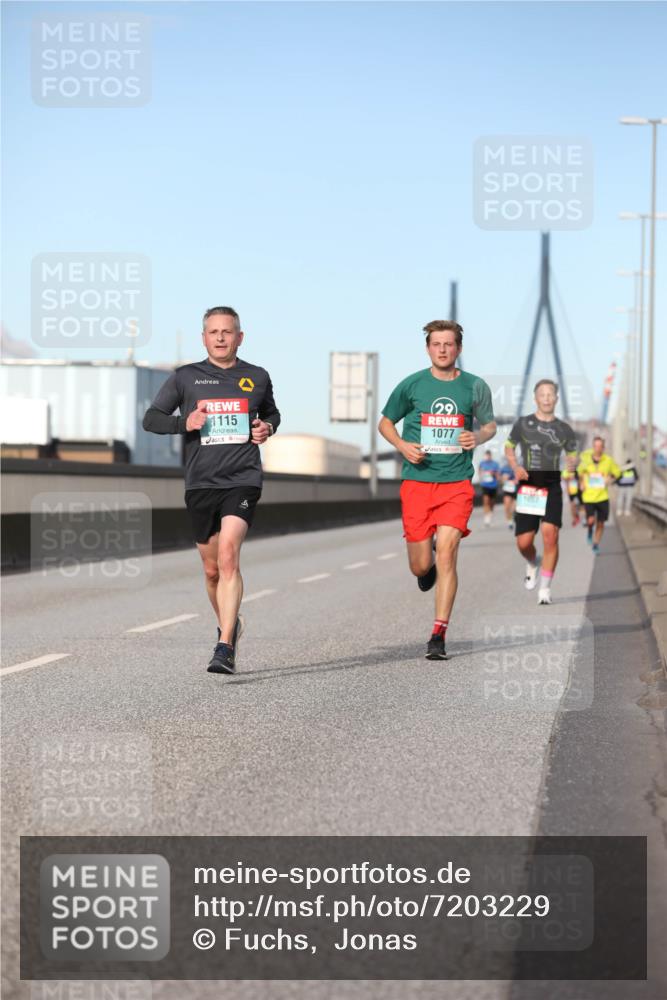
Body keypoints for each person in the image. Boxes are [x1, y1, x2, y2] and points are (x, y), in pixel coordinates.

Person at [142, 305, 280, 674]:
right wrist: (185, 421)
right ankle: (229, 624)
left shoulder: (257, 376)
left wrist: (266, 428)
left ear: (240, 337)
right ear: (204, 338)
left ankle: (224, 646)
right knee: (211, 570)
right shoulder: (185, 378)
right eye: (214, 332)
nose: (221, 338)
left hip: (243, 478)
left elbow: (272, 414)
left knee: (229, 556)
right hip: (200, 482)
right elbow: (151, 419)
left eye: (228, 331)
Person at [378, 319, 496, 660]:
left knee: (447, 552)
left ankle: (438, 634)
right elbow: (385, 422)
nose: (443, 349)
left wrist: (479, 436)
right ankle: (424, 565)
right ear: (428, 348)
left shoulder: (475, 387)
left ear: (458, 348)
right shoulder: (412, 385)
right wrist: (402, 446)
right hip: (417, 482)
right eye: (436, 344)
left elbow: (489, 425)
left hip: (456, 483)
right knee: (420, 566)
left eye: (449, 344)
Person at [504, 380, 578, 605]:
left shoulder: (564, 429)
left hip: (552, 485)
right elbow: (509, 446)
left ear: (556, 399)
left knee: (550, 534)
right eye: (542, 394)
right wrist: (515, 467)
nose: (546, 398)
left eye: (550, 394)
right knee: (524, 543)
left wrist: (571, 467)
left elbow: (573, 453)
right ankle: (532, 562)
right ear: (535, 399)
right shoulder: (523, 423)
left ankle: (545, 589)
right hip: (529, 486)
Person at [577, 436, 620, 553]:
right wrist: (581, 483)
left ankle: (596, 544)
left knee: (601, 523)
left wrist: (609, 479)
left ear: (603, 447)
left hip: (602, 496)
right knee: (590, 520)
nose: (597, 448)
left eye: (600, 446)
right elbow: (580, 473)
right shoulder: (586, 460)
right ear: (593, 446)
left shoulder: (608, 460)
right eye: (595, 446)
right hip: (589, 496)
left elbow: (617, 472)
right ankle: (590, 530)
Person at [478, 450, 501, 526]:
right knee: (485, 501)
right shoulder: (482, 463)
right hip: (485, 485)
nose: (487, 457)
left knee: (492, 502)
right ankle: (486, 517)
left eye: (489, 455)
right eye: (486, 455)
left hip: (493, 485)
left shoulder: (495, 464)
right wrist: (481, 477)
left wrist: (493, 473)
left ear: (491, 456)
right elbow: (480, 472)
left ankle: (490, 512)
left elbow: (498, 476)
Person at [499, 458, 517, 529]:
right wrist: (503, 479)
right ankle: (510, 522)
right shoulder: (504, 468)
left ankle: (513, 515)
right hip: (507, 489)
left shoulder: (517, 467)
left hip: (515, 489)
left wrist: (517, 480)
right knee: (507, 507)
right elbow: (500, 479)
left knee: (515, 507)